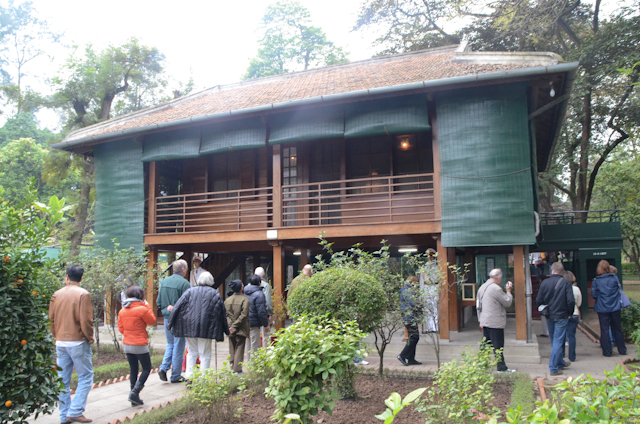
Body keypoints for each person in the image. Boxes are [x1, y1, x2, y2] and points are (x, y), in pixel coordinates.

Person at [49, 265, 94, 423]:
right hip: (77, 341)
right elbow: (86, 321)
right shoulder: (83, 294)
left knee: (63, 379)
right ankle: (75, 411)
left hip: (60, 341)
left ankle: (64, 416)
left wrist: (56, 336)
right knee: (86, 377)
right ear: (81, 278)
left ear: (66, 277)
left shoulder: (56, 294)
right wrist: (90, 337)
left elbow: (51, 319)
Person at [168, 271, 229, 379]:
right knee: (205, 354)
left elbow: (177, 307)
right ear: (211, 281)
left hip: (189, 326)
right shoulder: (215, 294)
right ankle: (203, 379)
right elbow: (222, 313)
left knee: (191, 352)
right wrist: (226, 330)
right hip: (207, 328)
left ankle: (190, 376)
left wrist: (170, 324)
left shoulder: (189, 291)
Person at [117, 285, 156, 406]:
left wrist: (129, 335)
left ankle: (134, 397)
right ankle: (135, 392)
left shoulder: (122, 310)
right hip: (139, 343)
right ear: (140, 296)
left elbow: (120, 328)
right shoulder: (142, 309)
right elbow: (152, 321)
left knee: (133, 370)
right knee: (146, 368)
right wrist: (148, 306)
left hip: (127, 344)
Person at [537, 262, 575, 376]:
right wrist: (569, 312)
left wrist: (545, 308)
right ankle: (554, 367)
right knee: (559, 340)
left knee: (555, 340)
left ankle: (559, 362)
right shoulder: (566, 283)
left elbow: (539, 299)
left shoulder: (545, 283)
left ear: (552, 271)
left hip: (549, 315)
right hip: (562, 315)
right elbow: (571, 300)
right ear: (562, 272)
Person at [157, 259, 190, 383]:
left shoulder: (164, 281)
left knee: (170, 344)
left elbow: (159, 302)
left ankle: (164, 367)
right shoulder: (184, 284)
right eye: (186, 269)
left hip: (166, 318)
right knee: (179, 346)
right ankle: (175, 375)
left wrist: (167, 310)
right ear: (183, 269)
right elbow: (187, 304)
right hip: (179, 319)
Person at [476, 268, 515, 373]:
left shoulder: (482, 287)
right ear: (499, 277)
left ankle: (481, 365)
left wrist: (480, 320)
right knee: (498, 345)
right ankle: (501, 368)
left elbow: (478, 305)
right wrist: (508, 291)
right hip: (495, 321)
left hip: (485, 320)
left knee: (486, 344)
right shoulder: (496, 289)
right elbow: (507, 302)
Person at [591, 260, 627, 357]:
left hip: (602, 308)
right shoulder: (614, 278)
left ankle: (607, 351)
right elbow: (620, 290)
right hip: (615, 307)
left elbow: (594, 295)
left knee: (604, 329)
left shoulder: (596, 280)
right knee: (617, 328)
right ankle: (622, 349)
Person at [225, 279, 250, 374]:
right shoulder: (245, 300)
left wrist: (231, 326)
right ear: (241, 288)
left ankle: (232, 367)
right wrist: (235, 326)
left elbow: (226, 315)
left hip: (230, 328)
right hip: (241, 328)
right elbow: (244, 315)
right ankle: (237, 369)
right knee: (240, 347)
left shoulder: (227, 300)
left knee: (232, 347)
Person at [397, 276, 423, 366]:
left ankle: (411, 359)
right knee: (414, 337)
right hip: (409, 317)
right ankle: (402, 355)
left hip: (409, 317)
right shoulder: (407, 291)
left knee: (414, 337)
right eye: (416, 283)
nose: (417, 285)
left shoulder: (406, 289)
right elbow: (412, 303)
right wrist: (421, 306)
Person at [245, 274, 269, 362]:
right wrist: (265, 324)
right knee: (255, 344)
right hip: (254, 322)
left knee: (248, 344)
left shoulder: (245, 292)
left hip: (246, 321)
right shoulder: (259, 294)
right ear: (259, 283)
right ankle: (254, 367)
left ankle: (248, 364)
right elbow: (261, 312)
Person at [562, 271, 581, 362]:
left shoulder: (561, 288)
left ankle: (561, 354)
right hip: (575, 314)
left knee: (561, 335)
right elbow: (579, 303)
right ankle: (572, 356)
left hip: (563, 314)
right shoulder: (576, 289)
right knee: (572, 336)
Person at [254, 267, 273, 342]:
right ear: (264, 275)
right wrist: (270, 313)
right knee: (266, 335)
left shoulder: (248, 285)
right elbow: (268, 301)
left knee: (253, 336)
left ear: (254, 274)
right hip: (264, 312)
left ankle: (251, 353)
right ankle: (266, 352)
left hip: (252, 313)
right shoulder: (265, 285)